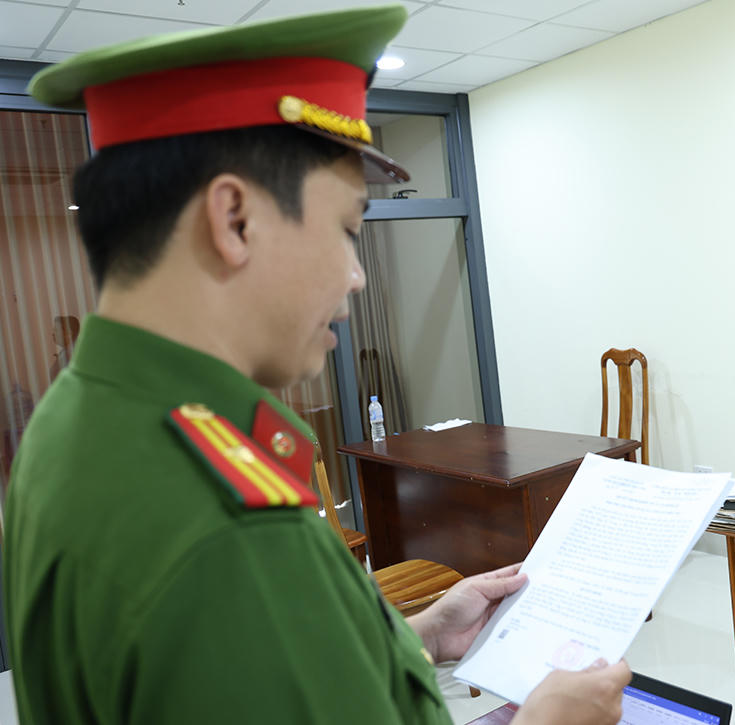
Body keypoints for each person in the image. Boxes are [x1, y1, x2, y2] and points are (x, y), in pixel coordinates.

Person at [2, 6, 629, 724]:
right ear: (234, 220)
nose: (356, 277)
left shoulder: (78, 419)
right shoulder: (225, 524)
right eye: (345, 229)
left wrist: (422, 634)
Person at [47, 314, 80, 383]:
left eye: (56, 330)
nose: (53, 334)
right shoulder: (67, 351)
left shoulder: (72, 353)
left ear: (69, 334)